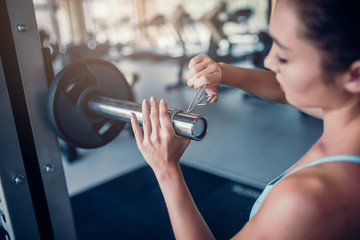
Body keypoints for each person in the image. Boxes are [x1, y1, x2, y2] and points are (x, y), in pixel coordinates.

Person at [130, 0, 360, 239]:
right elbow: (288, 90)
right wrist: (222, 71)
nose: (269, 61)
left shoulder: (303, 201)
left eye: (283, 57)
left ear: (354, 74)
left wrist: (166, 170)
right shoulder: (345, 112)